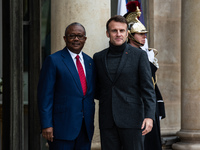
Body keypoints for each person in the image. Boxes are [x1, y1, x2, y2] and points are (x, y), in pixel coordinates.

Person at [93, 15, 156, 150]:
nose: (118, 34)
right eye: (114, 31)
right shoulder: (98, 57)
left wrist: (149, 116)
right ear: (107, 33)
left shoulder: (139, 56)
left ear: (127, 33)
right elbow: (97, 88)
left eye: (122, 31)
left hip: (133, 120)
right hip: (107, 120)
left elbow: (148, 89)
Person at [37, 22, 96, 150]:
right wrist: (46, 124)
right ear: (65, 38)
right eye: (72, 35)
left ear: (84, 39)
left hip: (85, 129)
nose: (76, 39)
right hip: (61, 129)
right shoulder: (53, 60)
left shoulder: (90, 62)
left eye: (80, 36)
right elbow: (45, 96)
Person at [124, 1, 166, 150]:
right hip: (135, 106)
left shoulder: (145, 54)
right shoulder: (127, 54)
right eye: (140, 34)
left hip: (148, 104)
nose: (144, 37)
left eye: (144, 34)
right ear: (130, 35)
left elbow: (152, 84)